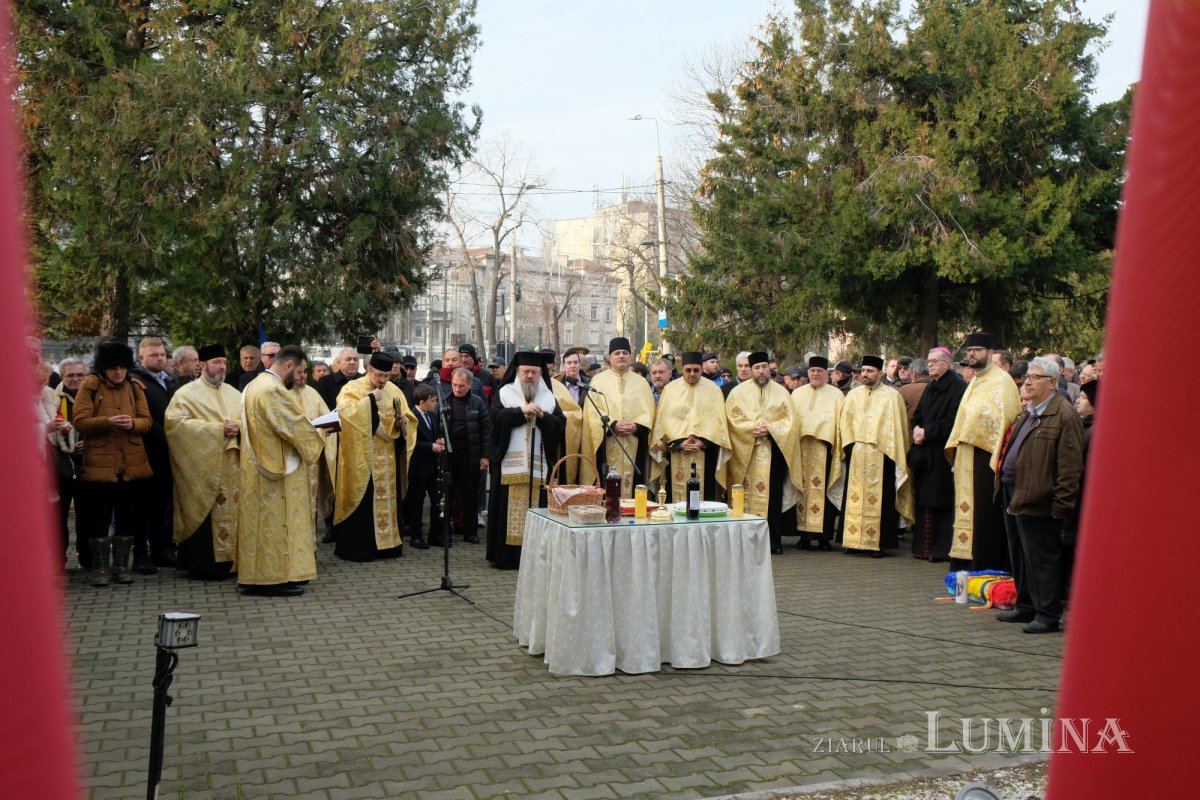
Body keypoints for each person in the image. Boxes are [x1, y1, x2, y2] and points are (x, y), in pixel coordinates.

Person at [995, 357, 1083, 633]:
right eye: (1028, 377)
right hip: (1014, 492)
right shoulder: (1029, 411)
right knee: (1019, 554)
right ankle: (1026, 605)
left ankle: (1047, 614)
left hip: (1041, 499)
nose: (1028, 382)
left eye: (1036, 377)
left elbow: (1070, 467)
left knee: (1042, 558)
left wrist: (1061, 504)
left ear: (1052, 383)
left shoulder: (1064, 414)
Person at [237, 345, 326, 596]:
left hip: (259, 466)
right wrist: (322, 430)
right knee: (275, 525)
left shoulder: (254, 385)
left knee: (261, 526)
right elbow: (292, 425)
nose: (300, 376)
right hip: (275, 469)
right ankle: (272, 579)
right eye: (300, 370)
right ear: (289, 365)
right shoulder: (272, 390)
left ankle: (255, 576)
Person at [72, 340, 153, 586]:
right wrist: (108, 421)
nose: (118, 372)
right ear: (103, 367)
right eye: (113, 368)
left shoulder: (135, 386)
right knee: (99, 519)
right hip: (100, 465)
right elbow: (80, 421)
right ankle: (100, 569)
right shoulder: (90, 386)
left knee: (128, 517)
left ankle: (121, 567)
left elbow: (146, 421)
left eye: (122, 367)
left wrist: (133, 424)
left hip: (131, 464)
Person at [945, 332, 1022, 570]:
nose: (972, 354)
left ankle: (984, 565)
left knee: (984, 513)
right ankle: (963, 563)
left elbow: (1007, 419)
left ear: (989, 353)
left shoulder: (1003, 381)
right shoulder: (975, 380)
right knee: (965, 509)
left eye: (977, 349)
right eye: (969, 350)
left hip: (987, 455)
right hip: (967, 453)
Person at [164, 345, 242, 580]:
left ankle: (233, 563)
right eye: (217, 362)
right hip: (203, 467)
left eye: (225, 362)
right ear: (203, 365)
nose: (222, 367)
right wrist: (218, 430)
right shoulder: (186, 394)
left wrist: (241, 427)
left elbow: (249, 420)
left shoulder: (234, 393)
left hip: (234, 465)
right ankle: (203, 565)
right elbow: (175, 425)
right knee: (207, 513)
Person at [332, 352, 415, 561]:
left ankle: (388, 547)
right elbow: (344, 414)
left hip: (388, 459)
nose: (383, 381)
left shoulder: (394, 389)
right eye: (379, 375)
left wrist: (403, 421)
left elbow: (409, 418)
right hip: (361, 458)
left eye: (387, 376)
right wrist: (370, 400)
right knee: (364, 502)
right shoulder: (352, 389)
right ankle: (361, 549)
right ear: (368, 370)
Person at [828, 356, 914, 557]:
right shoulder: (853, 395)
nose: (865, 374)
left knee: (881, 499)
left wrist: (885, 448)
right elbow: (844, 425)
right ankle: (851, 541)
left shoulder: (892, 396)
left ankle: (878, 544)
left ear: (880, 373)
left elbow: (897, 429)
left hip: (881, 455)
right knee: (853, 497)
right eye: (863, 371)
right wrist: (849, 447)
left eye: (870, 371)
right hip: (856, 453)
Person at [486, 352, 566, 569]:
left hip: (538, 468)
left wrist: (542, 417)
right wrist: (521, 412)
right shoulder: (505, 393)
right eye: (526, 372)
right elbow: (494, 421)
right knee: (506, 511)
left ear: (541, 374)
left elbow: (560, 425)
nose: (530, 376)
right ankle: (506, 557)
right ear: (518, 372)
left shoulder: (548, 397)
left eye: (534, 372)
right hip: (509, 468)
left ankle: (533, 557)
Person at [726, 352, 801, 554]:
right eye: (757, 367)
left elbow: (790, 422)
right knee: (742, 495)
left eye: (764, 367)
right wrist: (751, 427)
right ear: (750, 370)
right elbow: (732, 420)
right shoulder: (737, 393)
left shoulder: (782, 392)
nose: (761, 371)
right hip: (746, 455)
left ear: (770, 369)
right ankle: (743, 542)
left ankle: (773, 542)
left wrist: (770, 429)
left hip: (772, 452)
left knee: (773, 498)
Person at [649, 351, 731, 503]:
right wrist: (679, 443)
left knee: (704, 504)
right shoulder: (670, 390)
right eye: (688, 370)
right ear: (682, 369)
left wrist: (704, 443)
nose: (692, 374)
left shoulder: (713, 390)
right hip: (674, 453)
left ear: (701, 369)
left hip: (706, 455)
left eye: (696, 370)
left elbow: (720, 427)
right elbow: (661, 426)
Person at [909, 348, 967, 561]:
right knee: (924, 499)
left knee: (939, 500)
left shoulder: (959, 387)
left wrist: (928, 432)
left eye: (935, 361)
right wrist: (916, 428)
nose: (930, 365)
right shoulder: (930, 387)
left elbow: (954, 420)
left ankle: (938, 549)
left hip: (943, 452)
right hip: (925, 451)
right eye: (929, 361)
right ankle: (922, 548)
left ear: (947, 363)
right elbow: (919, 413)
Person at [579, 337, 656, 490]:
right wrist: (613, 425)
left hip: (635, 443)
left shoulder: (642, 383)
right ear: (610, 358)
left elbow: (650, 413)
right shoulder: (598, 381)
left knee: (635, 489)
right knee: (606, 489)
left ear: (630, 356)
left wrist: (637, 426)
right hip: (606, 443)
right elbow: (592, 414)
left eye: (625, 353)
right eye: (617, 353)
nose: (621, 356)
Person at [130, 336, 177, 573]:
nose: (160, 358)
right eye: (154, 355)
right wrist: (168, 435)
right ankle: (141, 554)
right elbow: (144, 418)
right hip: (146, 452)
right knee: (143, 508)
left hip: (168, 454)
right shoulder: (136, 383)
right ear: (141, 358)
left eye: (162, 355)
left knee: (163, 506)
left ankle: (161, 550)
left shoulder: (169, 381)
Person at [791, 356, 843, 551]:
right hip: (802, 450)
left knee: (824, 495)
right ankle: (804, 536)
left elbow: (839, 424)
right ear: (808, 373)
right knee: (802, 491)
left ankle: (824, 537)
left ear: (827, 375)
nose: (815, 374)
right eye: (812, 371)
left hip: (825, 450)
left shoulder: (837, 395)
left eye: (819, 371)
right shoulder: (797, 394)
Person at [292, 362, 337, 545]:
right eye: (298, 372)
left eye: (304, 372)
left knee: (312, 503)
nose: (302, 376)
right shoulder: (281, 394)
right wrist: (306, 422)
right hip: (293, 460)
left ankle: (310, 546)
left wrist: (322, 422)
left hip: (314, 460)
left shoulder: (312, 392)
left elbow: (328, 417)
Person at [52, 357, 87, 564]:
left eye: (80, 375)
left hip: (89, 464)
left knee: (87, 515)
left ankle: (87, 558)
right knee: (59, 516)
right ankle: (59, 560)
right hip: (62, 465)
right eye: (70, 375)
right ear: (62, 376)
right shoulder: (53, 398)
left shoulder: (94, 396)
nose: (76, 379)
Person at [404, 384, 444, 550]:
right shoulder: (410, 417)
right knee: (417, 503)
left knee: (437, 502)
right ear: (421, 402)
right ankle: (416, 536)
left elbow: (435, 434)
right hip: (417, 467)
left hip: (433, 467)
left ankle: (435, 534)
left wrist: (439, 440)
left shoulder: (433, 416)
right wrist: (430, 447)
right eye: (432, 401)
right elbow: (409, 442)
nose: (435, 404)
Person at [897, 358, 930, 423]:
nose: (902, 370)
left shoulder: (904, 390)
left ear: (914, 374)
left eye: (906, 368)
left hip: (910, 431)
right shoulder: (940, 388)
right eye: (899, 368)